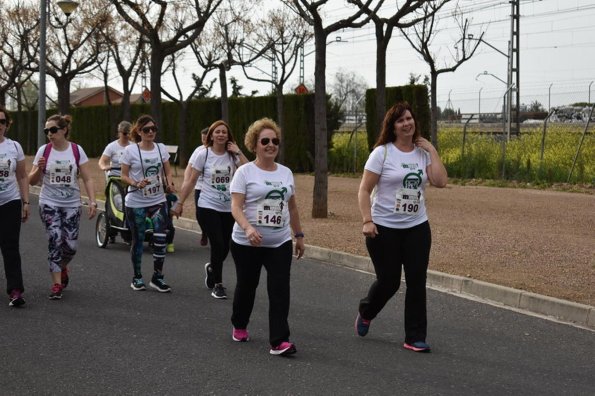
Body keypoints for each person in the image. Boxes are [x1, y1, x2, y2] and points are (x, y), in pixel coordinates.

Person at [355, 102, 447, 353]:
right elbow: (364, 189)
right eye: (400, 120)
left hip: (417, 226)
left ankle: (414, 336)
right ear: (392, 127)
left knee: (417, 281)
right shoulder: (382, 153)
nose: (407, 123)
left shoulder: (422, 153)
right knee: (390, 281)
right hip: (384, 228)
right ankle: (367, 310)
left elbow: (440, 181)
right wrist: (367, 220)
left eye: (409, 118)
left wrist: (432, 150)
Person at [228, 118, 305, 356]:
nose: (271, 145)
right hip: (247, 242)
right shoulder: (244, 172)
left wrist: (299, 235)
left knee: (280, 288)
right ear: (255, 145)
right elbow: (236, 207)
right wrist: (248, 228)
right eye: (265, 141)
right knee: (247, 286)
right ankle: (239, 323)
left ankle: (279, 341)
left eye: (275, 141)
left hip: (279, 242)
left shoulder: (286, 173)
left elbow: (291, 208)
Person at [173, 120, 247, 299]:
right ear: (211, 135)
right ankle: (218, 284)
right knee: (218, 244)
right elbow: (191, 180)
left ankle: (212, 268)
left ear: (228, 136)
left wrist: (238, 151)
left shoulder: (232, 155)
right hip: (207, 205)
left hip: (228, 207)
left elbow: (249, 169)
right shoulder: (203, 154)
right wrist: (180, 202)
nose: (221, 134)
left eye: (224, 132)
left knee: (225, 247)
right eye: (218, 132)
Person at [28, 114, 97, 300]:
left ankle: (62, 266)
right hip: (49, 202)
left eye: (53, 130)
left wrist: (92, 201)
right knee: (55, 239)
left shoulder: (76, 150)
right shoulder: (44, 151)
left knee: (71, 246)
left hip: (72, 204)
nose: (49, 134)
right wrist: (38, 169)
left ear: (64, 130)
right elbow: (31, 181)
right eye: (46, 131)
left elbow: (88, 178)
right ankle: (57, 284)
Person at [120, 114, 175, 293]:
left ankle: (157, 277)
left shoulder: (161, 149)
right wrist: (136, 183)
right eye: (146, 130)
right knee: (139, 239)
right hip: (136, 201)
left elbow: (168, 171)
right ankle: (137, 277)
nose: (151, 132)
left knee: (161, 238)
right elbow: (123, 176)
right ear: (139, 131)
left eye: (153, 129)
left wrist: (169, 184)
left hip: (158, 200)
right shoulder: (130, 151)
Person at [0, 105, 30, 307]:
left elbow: (22, 175)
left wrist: (25, 202)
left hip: (10, 201)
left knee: (10, 246)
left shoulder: (14, 147)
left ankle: (15, 290)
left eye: (2, 121)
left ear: (7, 124)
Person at [184, 127, 209, 247]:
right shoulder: (199, 150)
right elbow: (189, 167)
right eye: (202, 139)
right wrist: (186, 181)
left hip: (215, 188)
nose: (204, 141)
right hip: (199, 186)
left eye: (206, 138)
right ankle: (205, 231)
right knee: (199, 213)